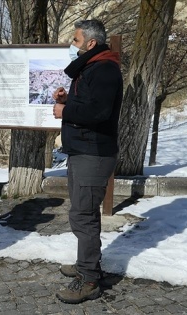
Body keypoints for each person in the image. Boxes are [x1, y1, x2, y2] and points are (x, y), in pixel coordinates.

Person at [52, 19, 123, 304]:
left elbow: (100, 112)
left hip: (93, 152)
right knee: (85, 212)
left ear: (91, 43)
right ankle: (87, 264)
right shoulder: (94, 67)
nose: (73, 43)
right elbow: (91, 103)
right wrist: (69, 99)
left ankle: (90, 278)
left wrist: (65, 110)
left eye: (76, 39)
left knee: (82, 215)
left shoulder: (104, 69)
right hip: (84, 150)